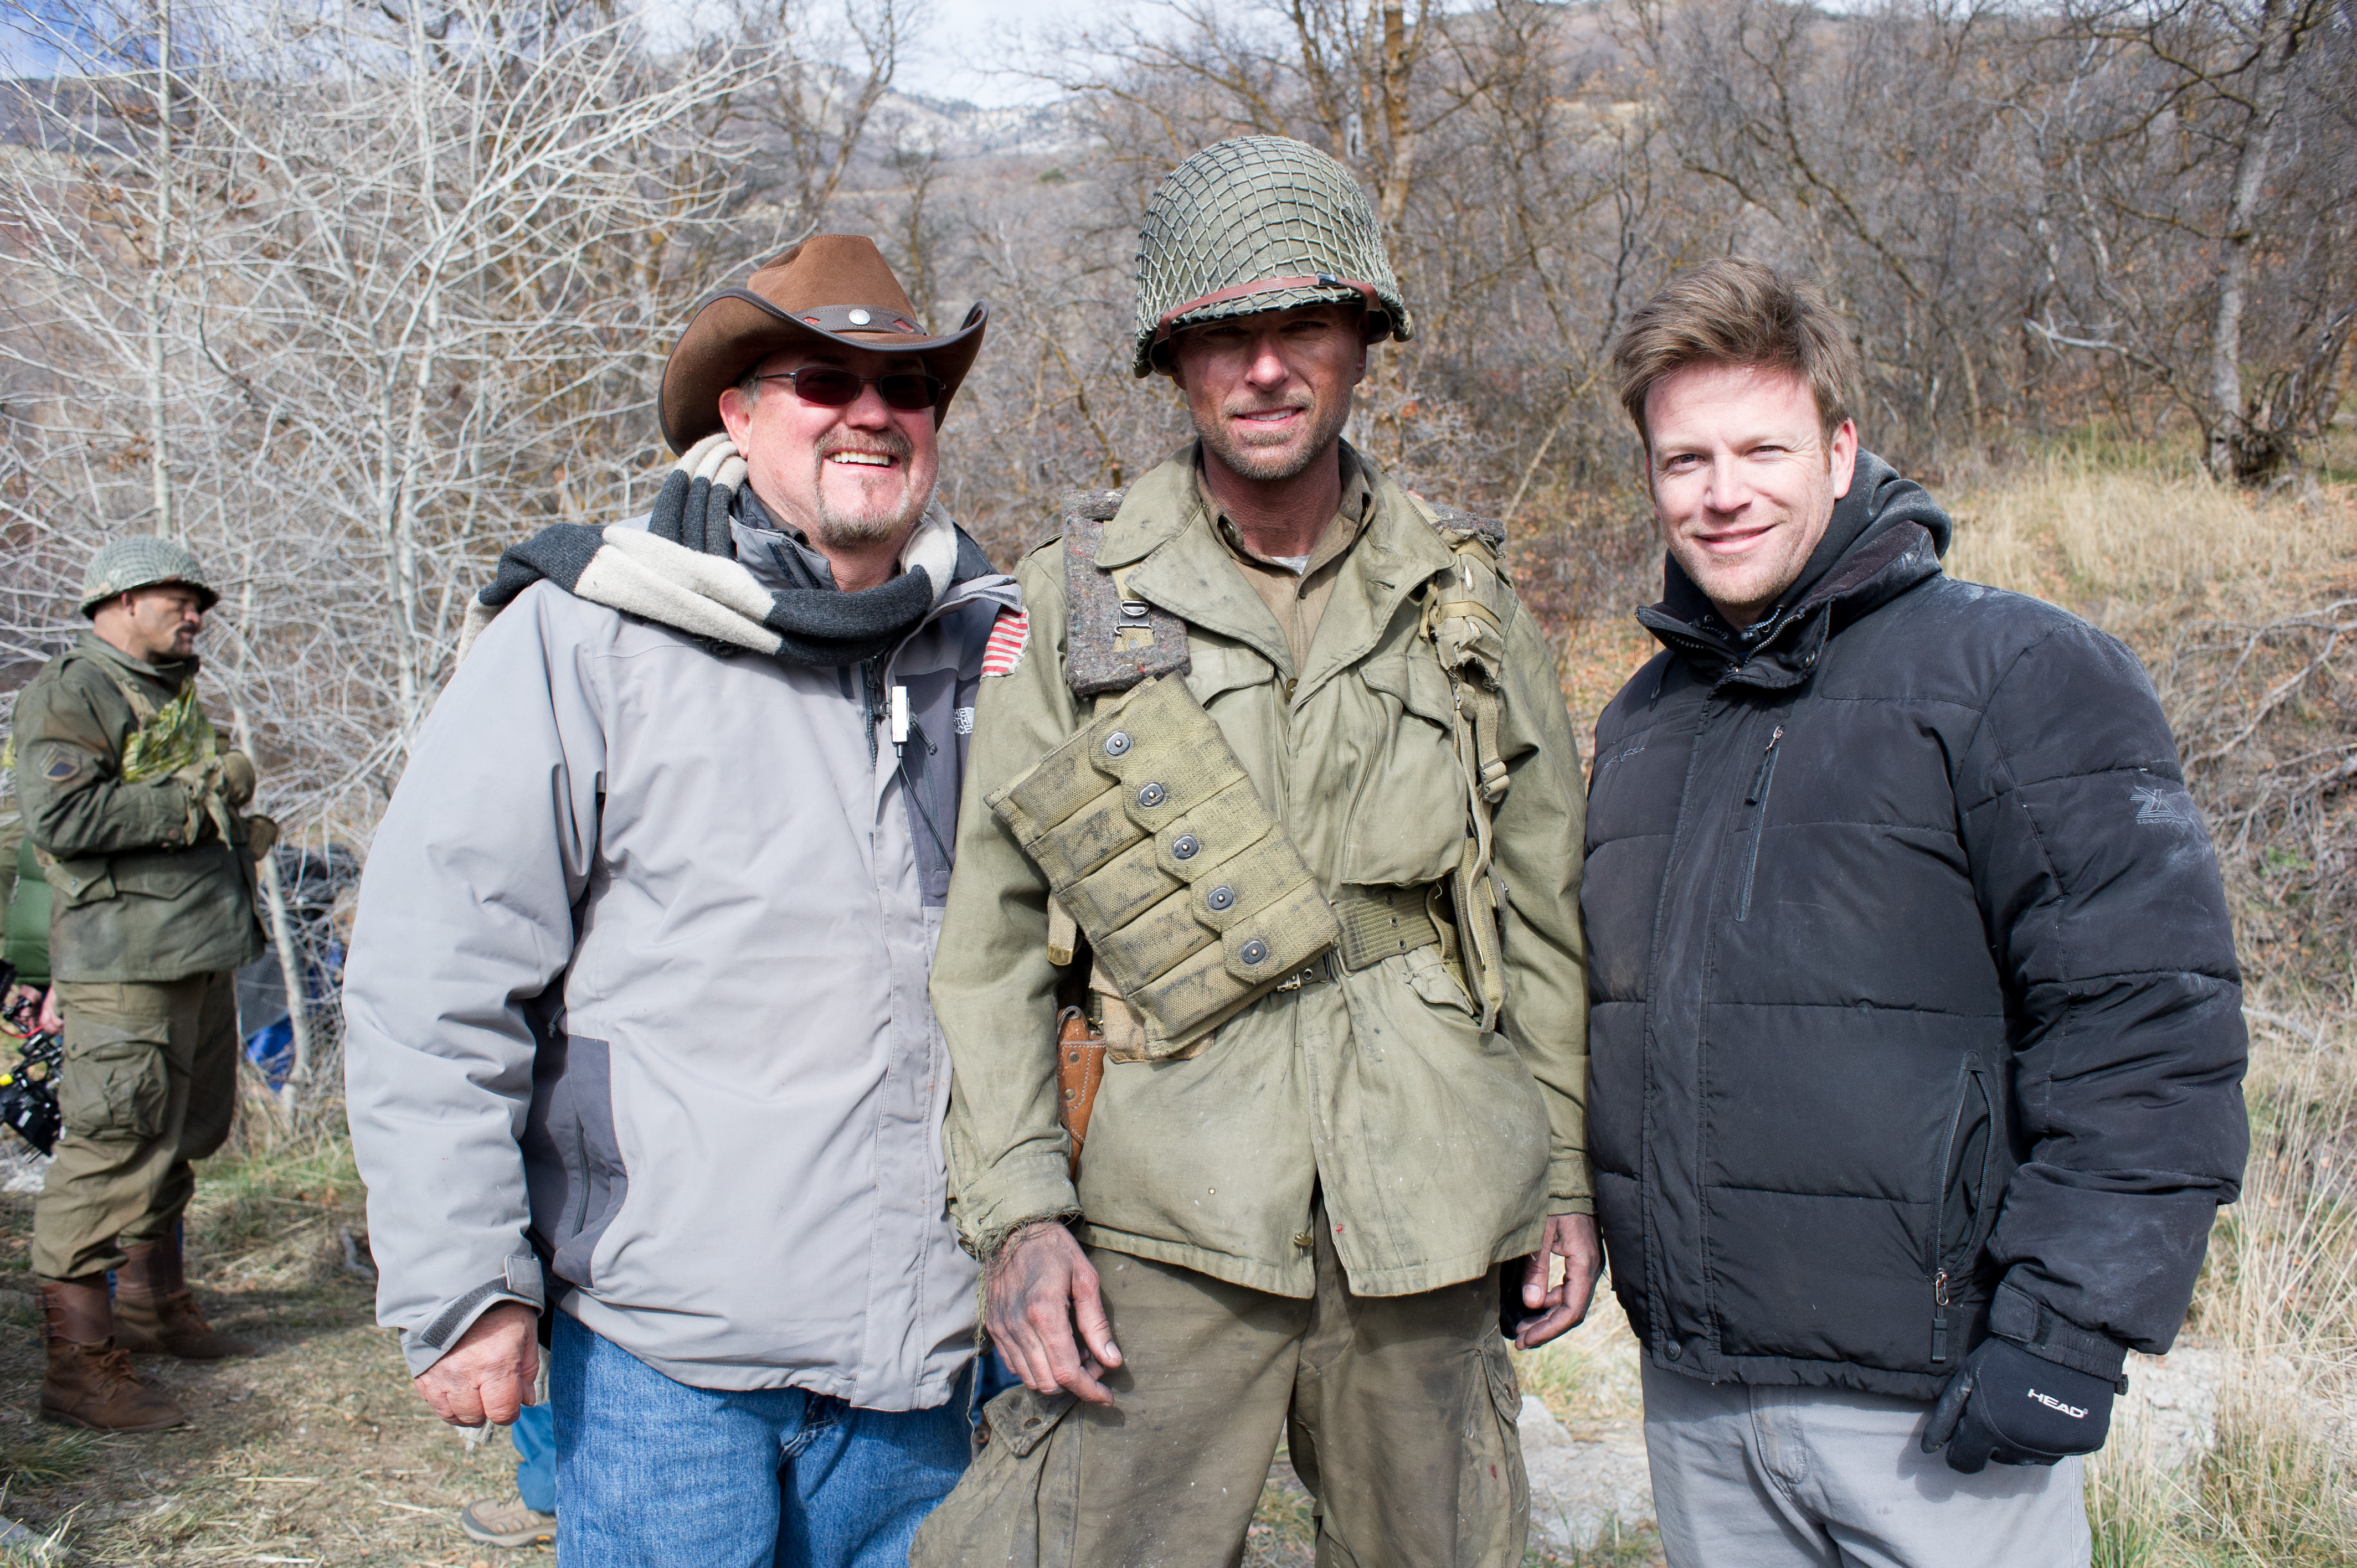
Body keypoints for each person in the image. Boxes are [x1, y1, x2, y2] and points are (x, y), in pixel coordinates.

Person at [913, 136, 1597, 1568]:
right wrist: (1024, 1215)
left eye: (1305, 327)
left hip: (1429, 1204)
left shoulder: (1461, 603)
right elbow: (989, 949)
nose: (1267, 368)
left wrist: (1567, 1182)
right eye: (1225, 336)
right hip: (1167, 1217)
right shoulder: (1080, 605)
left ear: (1364, 342)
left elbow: (1540, 918)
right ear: (1175, 362)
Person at [342, 233, 1016, 1568]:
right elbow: (438, 976)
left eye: (910, 386)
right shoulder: (591, 633)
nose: (873, 412)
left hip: (930, 1353)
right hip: (666, 1358)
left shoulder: (991, 645)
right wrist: (468, 1282)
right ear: (739, 412)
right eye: (823, 380)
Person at [1579, 257, 2250, 1567]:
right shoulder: (1642, 724)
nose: (1721, 495)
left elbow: (2148, 1026)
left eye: (1760, 448)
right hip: (1703, 1405)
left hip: (1938, 1411)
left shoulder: (2017, 671)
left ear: (1839, 450)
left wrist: (2066, 1330)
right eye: (1683, 461)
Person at [10, 537, 271, 1432]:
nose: (196, 613)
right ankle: (79, 1374)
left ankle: (151, 1310)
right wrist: (201, 797)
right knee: (111, 1145)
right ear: (117, 600)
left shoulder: (167, 693)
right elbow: (61, 818)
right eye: (178, 598)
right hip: (125, 967)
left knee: (181, 1134)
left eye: (200, 601)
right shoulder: (73, 691)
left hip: (192, 951)